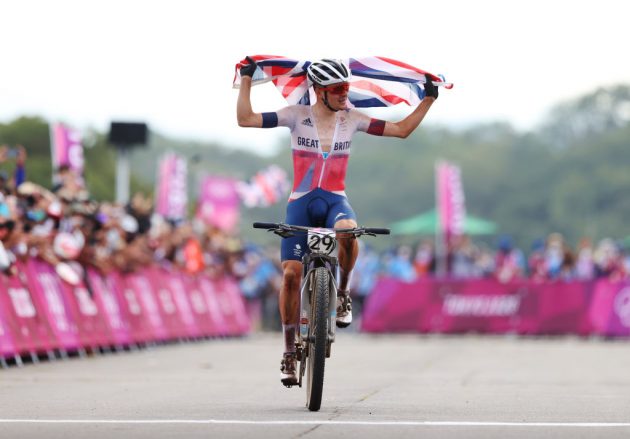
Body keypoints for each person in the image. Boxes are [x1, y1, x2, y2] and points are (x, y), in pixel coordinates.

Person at [236, 56, 438, 386]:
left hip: (335, 201)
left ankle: (342, 291)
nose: (345, 93)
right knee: (290, 274)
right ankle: (289, 350)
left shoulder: (352, 118)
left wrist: (427, 100)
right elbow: (245, 119)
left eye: (347, 87)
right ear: (319, 91)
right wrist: (246, 79)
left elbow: (401, 130)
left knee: (347, 230)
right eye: (338, 88)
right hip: (300, 204)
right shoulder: (294, 116)